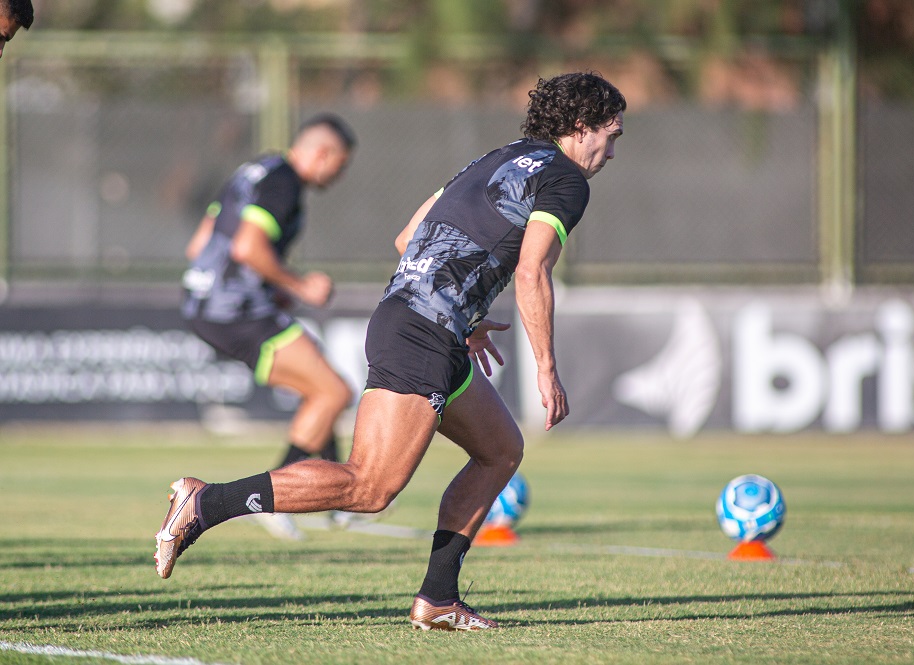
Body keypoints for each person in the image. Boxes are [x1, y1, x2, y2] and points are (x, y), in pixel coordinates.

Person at [156, 72, 626, 630]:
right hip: (421, 334)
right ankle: (206, 503)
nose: (613, 150)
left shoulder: (495, 158)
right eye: (612, 134)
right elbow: (532, 271)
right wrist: (547, 369)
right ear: (580, 127)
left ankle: (438, 599)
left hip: (417, 321)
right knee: (370, 486)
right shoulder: (568, 181)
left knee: (500, 450)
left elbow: (408, 239)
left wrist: (464, 314)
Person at [180, 114, 357, 540]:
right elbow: (247, 246)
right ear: (321, 153)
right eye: (341, 164)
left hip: (207, 305)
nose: (339, 175)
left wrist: (262, 283)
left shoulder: (255, 170)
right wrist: (299, 286)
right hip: (237, 310)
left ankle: (339, 502)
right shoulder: (285, 183)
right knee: (334, 392)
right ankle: (272, 499)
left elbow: (200, 244)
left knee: (320, 388)